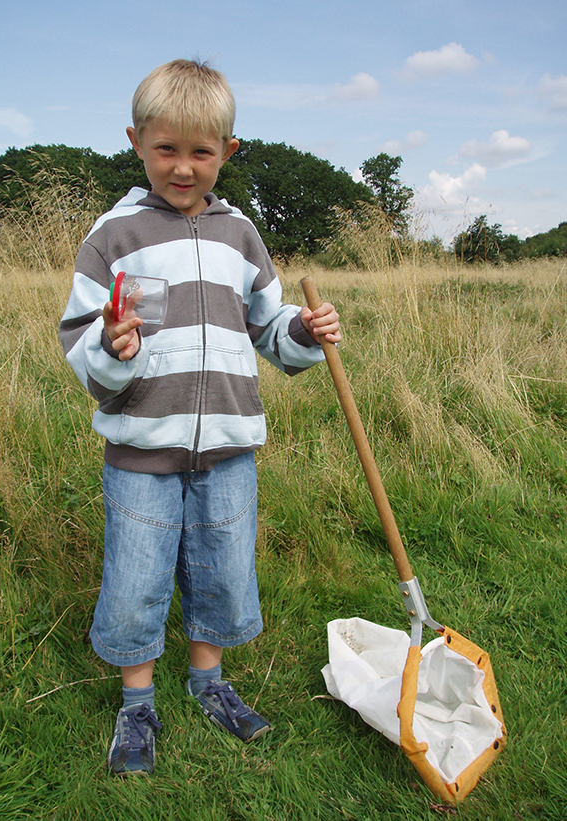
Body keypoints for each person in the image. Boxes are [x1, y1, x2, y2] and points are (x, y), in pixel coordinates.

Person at [59, 58, 341, 777]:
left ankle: (210, 681)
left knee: (222, 570)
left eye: (201, 152)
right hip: (141, 450)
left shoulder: (240, 236)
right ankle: (136, 703)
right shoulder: (114, 237)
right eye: (166, 149)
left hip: (227, 447)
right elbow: (80, 340)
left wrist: (304, 333)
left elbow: (268, 327)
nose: (182, 168)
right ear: (136, 141)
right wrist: (114, 348)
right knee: (136, 579)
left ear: (228, 152)